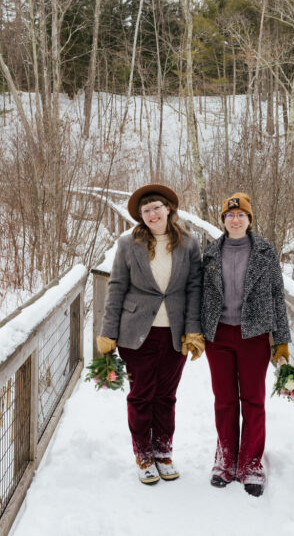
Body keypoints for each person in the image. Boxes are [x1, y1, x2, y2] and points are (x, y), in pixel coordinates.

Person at [97, 184, 204, 485]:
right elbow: (116, 287)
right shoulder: (128, 244)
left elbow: (195, 289)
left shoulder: (188, 244)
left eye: (157, 207)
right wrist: (108, 332)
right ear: (141, 217)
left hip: (175, 334)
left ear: (169, 209)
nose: (152, 214)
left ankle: (163, 451)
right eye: (146, 211)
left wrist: (194, 330)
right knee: (142, 395)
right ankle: (143, 453)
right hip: (136, 335)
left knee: (166, 396)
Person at [200, 192, 290, 497]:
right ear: (222, 220)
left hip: (253, 336)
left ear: (249, 219)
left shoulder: (265, 251)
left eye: (240, 215)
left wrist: (281, 341)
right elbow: (199, 295)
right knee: (224, 400)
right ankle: (226, 459)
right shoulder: (210, 253)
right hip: (219, 336)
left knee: (253, 400)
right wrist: (194, 332)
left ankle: (251, 463)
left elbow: (278, 296)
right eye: (229, 215)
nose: (235, 220)